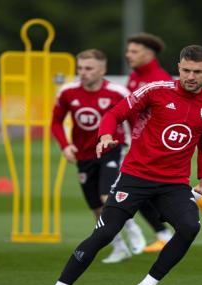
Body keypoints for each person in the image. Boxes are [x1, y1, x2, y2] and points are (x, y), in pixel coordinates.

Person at [43, 45, 202, 285]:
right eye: (186, 70)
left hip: (173, 183)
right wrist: (105, 135)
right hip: (134, 177)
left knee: (189, 227)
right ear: (179, 67)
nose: (191, 76)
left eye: (198, 71)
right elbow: (115, 114)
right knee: (104, 233)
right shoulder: (155, 91)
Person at [51, 49, 145, 264]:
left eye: (89, 68)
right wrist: (66, 146)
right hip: (84, 154)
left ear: (102, 70)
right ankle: (120, 247)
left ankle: (132, 228)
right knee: (96, 207)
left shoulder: (117, 92)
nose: (83, 73)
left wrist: (135, 146)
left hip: (112, 148)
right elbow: (55, 122)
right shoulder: (67, 92)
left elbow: (135, 120)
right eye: (80, 68)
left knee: (106, 196)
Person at [125, 33, 202, 253]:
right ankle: (174, 220)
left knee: (137, 190)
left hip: (153, 147)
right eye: (129, 51)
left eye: (134, 51)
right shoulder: (135, 77)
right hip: (139, 145)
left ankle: (163, 233)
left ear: (148, 54)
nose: (128, 55)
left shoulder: (157, 79)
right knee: (142, 191)